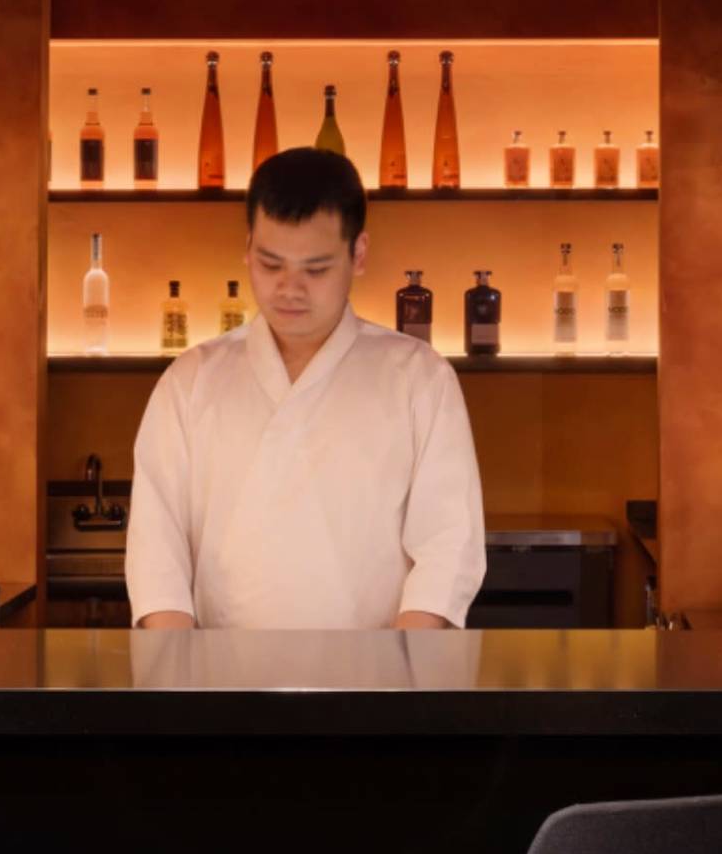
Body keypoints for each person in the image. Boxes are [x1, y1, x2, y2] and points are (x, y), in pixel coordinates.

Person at [125, 149, 486, 629]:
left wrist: (400, 680)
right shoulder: (191, 381)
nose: (289, 289)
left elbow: (448, 549)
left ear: (358, 255)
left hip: (377, 679)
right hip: (220, 681)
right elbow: (156, 555)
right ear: (248, 247)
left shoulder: (418, 377)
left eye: (315, 270)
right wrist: (185, 681)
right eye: (271, 264)